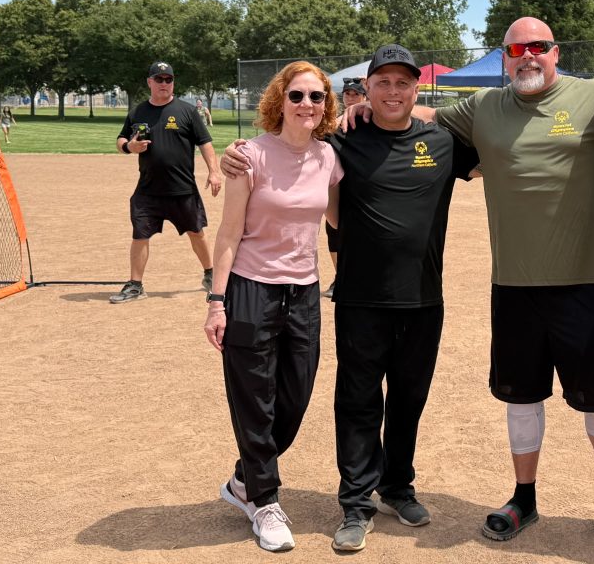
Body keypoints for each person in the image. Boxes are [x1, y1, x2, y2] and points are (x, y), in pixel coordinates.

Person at [344, 17, 594, 550]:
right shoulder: (484, 107)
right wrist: (370, 106)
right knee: (521, 397)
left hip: (585, 284)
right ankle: (523, 497)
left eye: (539, 47)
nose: (528, 56)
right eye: (516, 49)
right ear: (504, 57)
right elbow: (421, 111)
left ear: (555, 52)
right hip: (513, 285)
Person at [223, 45, 479, 554]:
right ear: (366, 90)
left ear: (415, 89)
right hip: (361, 299)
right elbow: (291, 149)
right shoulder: (343, 141)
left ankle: (398, 486)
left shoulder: (444, 142)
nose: (393, 92)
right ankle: (357, 503)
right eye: (382, 82)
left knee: (410, 399)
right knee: (359, 402)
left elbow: (508, 161)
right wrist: (237, 152)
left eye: (403, 83)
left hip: (424, 299)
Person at [203, 61, 342, 552]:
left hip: (304, 292)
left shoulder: (328, 157)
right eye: (298, 96)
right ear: (280, 101)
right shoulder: (250, 156)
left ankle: (243, 480)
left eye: (317, 97)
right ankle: (263, 500)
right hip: (251, 288)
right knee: (254, 399)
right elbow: (227, 233)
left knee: (295, 398)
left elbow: (339, 217)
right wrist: (216, 302)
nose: (308, 105)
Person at [110, 62, 223, 303]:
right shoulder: (138, 111)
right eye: (159, 79)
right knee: (140, 235)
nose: (164, 83)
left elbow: (205, 143)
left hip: (182, 188)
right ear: (149, 82)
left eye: (168, 79)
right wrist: (130, 147)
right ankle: (135, 285)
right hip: (148, 189)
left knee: (196, 232)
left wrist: (214, 171)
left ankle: (211, 274)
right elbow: (120, 140)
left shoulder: (187, 111)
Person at [323, 77, 368, 299]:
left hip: (358, 186)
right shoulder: (332, 125)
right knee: (333, 233)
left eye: (356, 94)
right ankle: (340, 275)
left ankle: (355, 275)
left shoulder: (369, 122)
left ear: (364, 96)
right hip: (336, 186)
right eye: (348, 93)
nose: (351, 97)